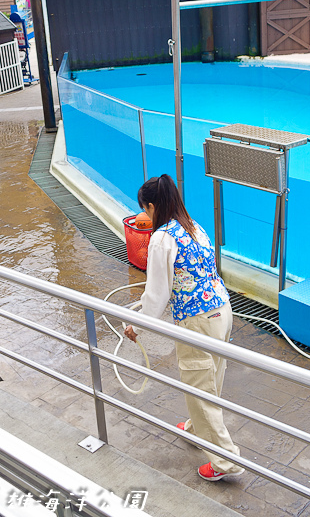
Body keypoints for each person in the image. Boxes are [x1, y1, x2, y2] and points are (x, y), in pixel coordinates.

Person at [124, 174, 244, 481]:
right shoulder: (192, 226)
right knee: (210, 377)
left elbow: (156, 295)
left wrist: (136, 326)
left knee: (199, 386)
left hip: (198, 321)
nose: (145, 215)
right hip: (222, 311)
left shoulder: (161, 239)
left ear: (151, 206)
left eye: (145, 209)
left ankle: (225, 463)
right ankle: (195, 428)